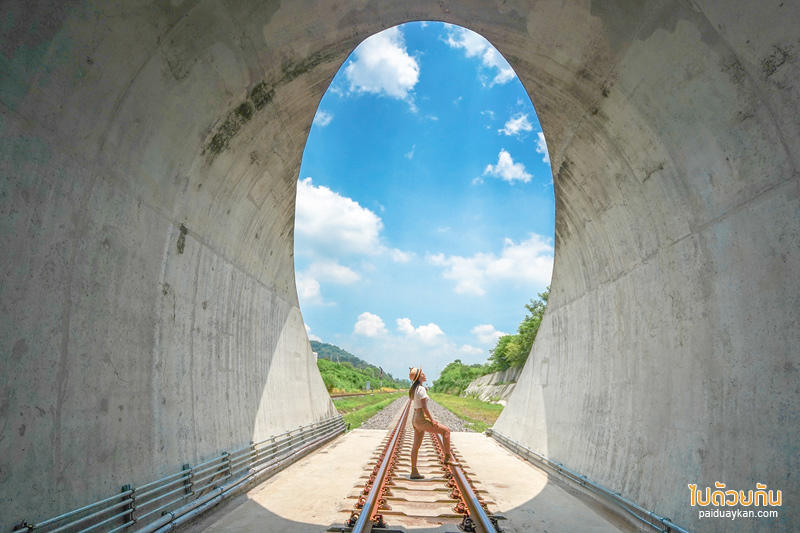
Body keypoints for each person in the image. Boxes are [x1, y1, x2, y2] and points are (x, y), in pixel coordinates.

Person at [408, 366, 457, 480]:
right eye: (422, 373)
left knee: (415, 447)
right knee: (446, 431)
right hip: (421, 418)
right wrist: (432, 420)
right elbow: (424, 407)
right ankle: (448, 457)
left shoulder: (415, 389)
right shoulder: (421, 389)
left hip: (415, 418)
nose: (424, 374)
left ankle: (414, 471)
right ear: (419, 377)